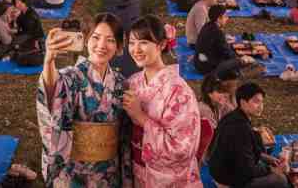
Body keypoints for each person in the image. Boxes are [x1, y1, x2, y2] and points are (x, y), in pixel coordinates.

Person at [38, 13, 128, 187]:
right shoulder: (71, 76)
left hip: (108, 171)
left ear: (118, 47)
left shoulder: (121, 83)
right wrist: (49, 61)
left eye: (110, 40)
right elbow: (53, 91)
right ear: (86, 40)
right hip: (75, 171)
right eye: (96, 37)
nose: (101, 45)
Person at [124, 14, 202, 187]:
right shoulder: (133, 82)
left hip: (166, 179)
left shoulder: (179, 92)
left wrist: (141, 118)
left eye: (144, 42)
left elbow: (183, 149)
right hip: (137, 172)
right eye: (131, 42)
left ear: (161, 45)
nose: (136, 49)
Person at [209, 83, 288, 188]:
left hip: (223, 168)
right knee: (280, 180)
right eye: (256, 101)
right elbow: (247, 170)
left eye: (261, 102)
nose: (261, 106)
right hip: (227, 176)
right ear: (243, 102)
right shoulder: (240, 128)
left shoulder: (234, 116)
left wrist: (270, 159)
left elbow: (247, 152)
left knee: (264, 165)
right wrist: (273, 170)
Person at [194, 5, 241, 77]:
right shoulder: (218, 32)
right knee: (237, 61)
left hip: (198, 61)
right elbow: (226, 51)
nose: (227, 18)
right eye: (225, 16)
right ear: (219, 18)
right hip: (206, 67)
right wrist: (238, 58)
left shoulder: (207, 25)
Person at [197, 73, 232, 163]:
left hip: (215, 144)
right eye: (219, 92)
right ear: (209, 93)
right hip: (207, 150)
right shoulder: (204, 108)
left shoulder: (218, 104)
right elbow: (216, 134)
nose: (224, 95)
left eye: (225, 91)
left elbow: (235, 115)